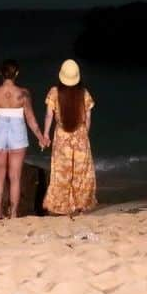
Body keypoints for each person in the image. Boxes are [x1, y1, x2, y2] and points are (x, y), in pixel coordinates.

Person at [0, 59, 46, 219]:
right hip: (18, 131)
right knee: (15, 176)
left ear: (1, 73)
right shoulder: (24, 94)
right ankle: (13, 213)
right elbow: (30, 117)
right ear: (17, 74)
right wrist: (40, 136)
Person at [43, 58, 97, 216]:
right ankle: (80, 207)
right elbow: (87, 119)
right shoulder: (84, 93)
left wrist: (46, 134)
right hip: (80, 135)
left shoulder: (54, 92)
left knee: (62, 172)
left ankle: (63, 207)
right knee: (81, 172)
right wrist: (84, 135)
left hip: (62, 136)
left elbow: (48, 116)